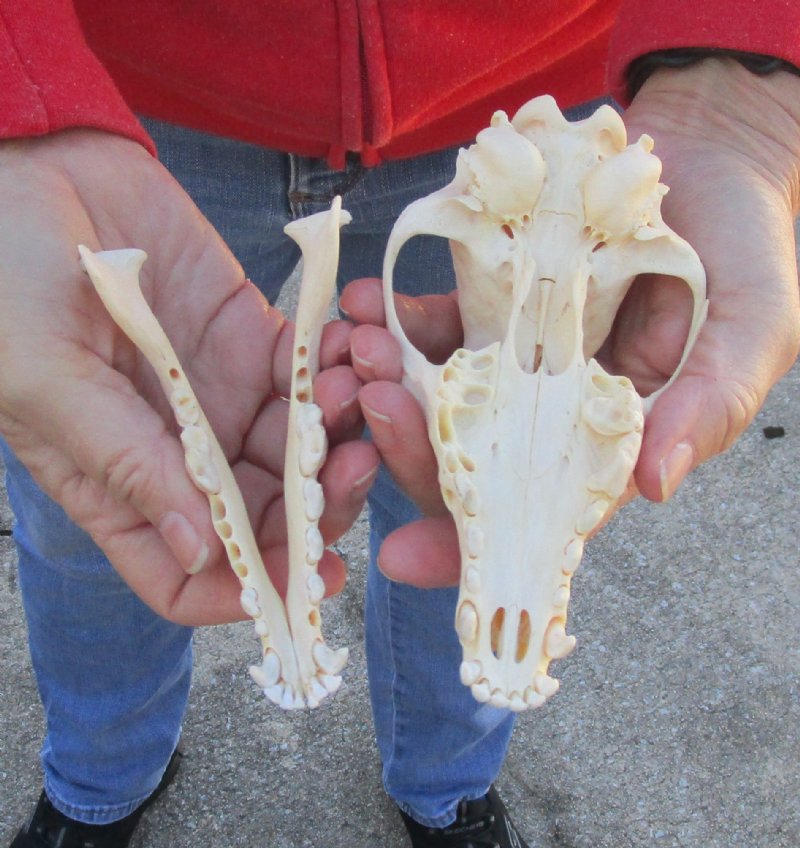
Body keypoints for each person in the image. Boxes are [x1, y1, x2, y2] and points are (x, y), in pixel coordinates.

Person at [1, 2, 798, 847]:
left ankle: (446, 787)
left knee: (468, 508)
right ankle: (99, 776)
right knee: (93, 479)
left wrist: (742, 65)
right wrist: (22, 96)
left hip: (520, 101)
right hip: (127, 96)